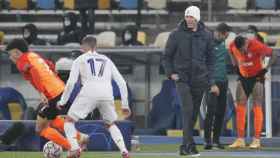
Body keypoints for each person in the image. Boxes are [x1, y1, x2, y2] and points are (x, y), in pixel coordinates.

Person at [5, 38, 88, 157]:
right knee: (51, 120)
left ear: (17, 52)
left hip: (52, 94)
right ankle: (80, 137)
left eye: (11, 53)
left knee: (40, 128)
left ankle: (73, 147)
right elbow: (50, 65)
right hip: (60, 89)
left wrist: (41, 92)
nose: (10, 57)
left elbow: (34, 71)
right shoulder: (34, 56)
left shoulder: (21, 61)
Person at [57, 36, 131, 158]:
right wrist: (125, 105)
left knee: (68, 121)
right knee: (110, 124)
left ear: (82, 47)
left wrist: (62, 102)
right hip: (107, 93)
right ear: (95, 46)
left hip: (89, 92)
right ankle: (124, 150)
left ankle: (75, 149)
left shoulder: (80, 59)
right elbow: (122, 82)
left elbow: (71, 83)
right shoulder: (107, 60)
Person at [162, 6, 215, 156]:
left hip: (200, 80)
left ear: (197, 18)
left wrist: (209, 80)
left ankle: (186, 146)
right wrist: (170, 73)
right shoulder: (176, 34)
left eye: (192, 17)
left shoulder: (207, 35)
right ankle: (188, 146)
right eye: (187, 17)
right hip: (182, 79)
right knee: (188, 110)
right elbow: (167, 57)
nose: (189, 19)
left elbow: (211, 60)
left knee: (193, 115)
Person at [228, 36, 276, 149]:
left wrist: (265, 69)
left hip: (256, 78)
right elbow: (230, 51)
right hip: (243, 77)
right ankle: (240, 139)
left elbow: (274, 54)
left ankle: (256, 139)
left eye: (243, 49)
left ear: (246, 43)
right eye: (239, 50)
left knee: (257, 105)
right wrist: (235, 66)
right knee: (240, 105)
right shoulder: (233, 45)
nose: (241, 52)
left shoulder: (257, 45)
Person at [203, 23, 231, 150]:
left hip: (223, 82)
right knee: (211, 112)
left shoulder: (223, 44)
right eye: (226, 35)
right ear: (220, 33)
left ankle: (216, 140)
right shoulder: (208, 44)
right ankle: (207, 141)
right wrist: (212, 83)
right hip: (212, 82)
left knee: (220, 112)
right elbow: (205, 66)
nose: (226, 38)